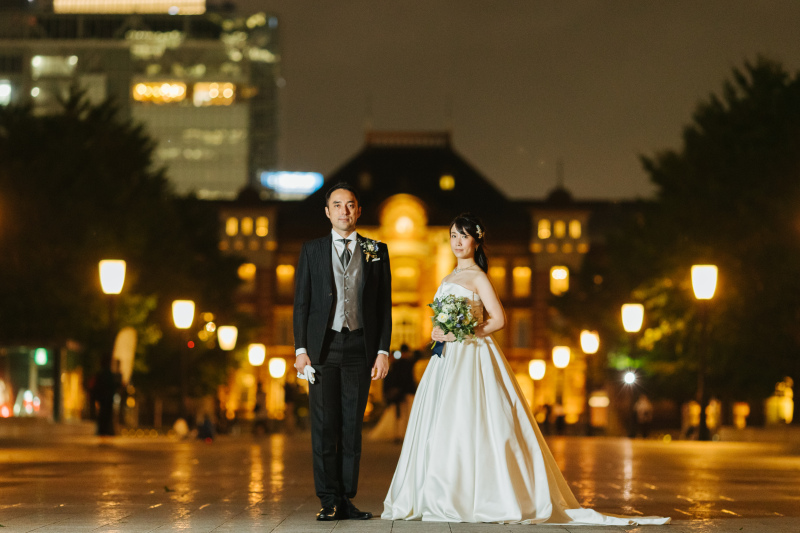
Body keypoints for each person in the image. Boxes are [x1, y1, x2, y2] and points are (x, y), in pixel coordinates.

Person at [382, 214, 669, 526]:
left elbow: (499, 319)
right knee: (441, 420)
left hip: (471, 356)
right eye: (453, 236)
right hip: (446, 359)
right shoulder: (447, 278)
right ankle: (437, 489)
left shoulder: (478, 277)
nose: (457, 242)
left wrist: (464, 333)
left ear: (476, 241)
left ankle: (473, 494)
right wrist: (439, 331)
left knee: (472, 416)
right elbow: (442, 319)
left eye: (463, 236)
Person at [293, 182, 392, 521]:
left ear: (359, 210)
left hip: (360, 348)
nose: (344, 211)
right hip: (323, 348)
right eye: (337, 205)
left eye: (350, 205)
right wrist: (301, 350)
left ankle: (347, 498)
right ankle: (328, 500)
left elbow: (383, 306)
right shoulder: (312, 250)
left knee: (352, 428)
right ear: (327, 211)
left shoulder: (376, 250)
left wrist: (382, 350)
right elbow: (301, 303)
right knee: (324, 428)